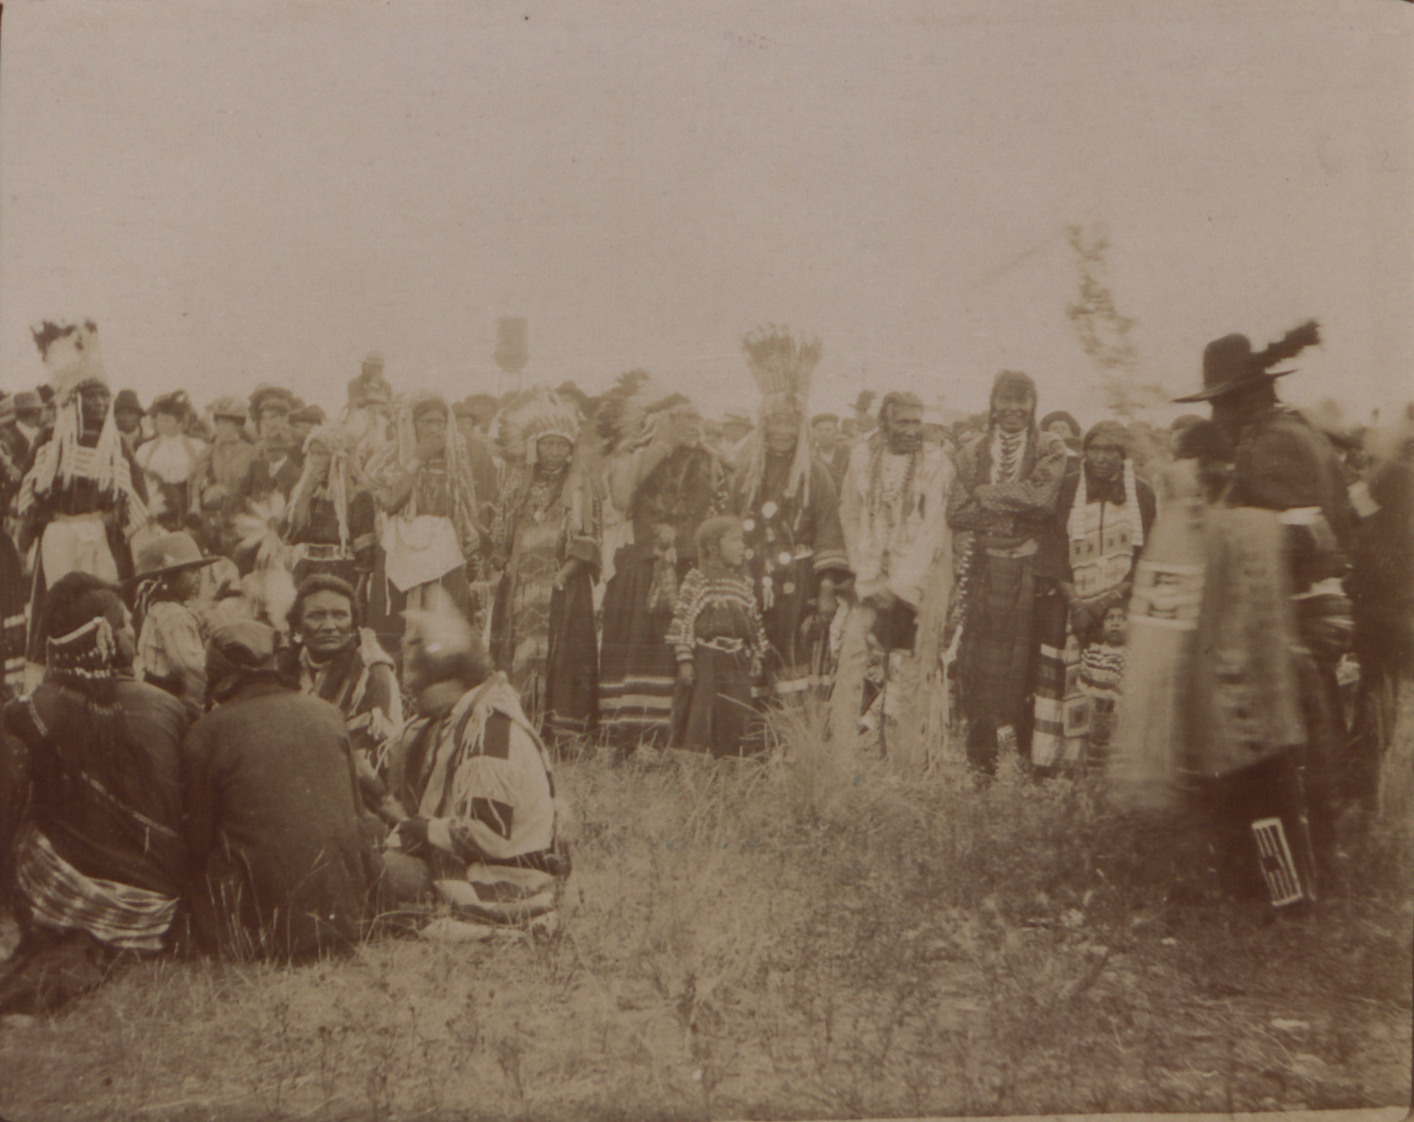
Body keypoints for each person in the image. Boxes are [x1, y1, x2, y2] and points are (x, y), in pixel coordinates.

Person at [1174, 321, 1354, 894]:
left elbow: (1303, 536)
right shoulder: (1291, 433)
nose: (1218, 418)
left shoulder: (1277, 442)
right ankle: (1302, 876)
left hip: (1290, 617)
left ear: (1248, 396)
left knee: (1276, 757)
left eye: (1222, 404)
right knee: (1298, 749)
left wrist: (1220, 529)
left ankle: (1284, 887)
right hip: (1298, 615)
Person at [0, 573, 190, 1014]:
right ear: (103, 636)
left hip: (60, 899)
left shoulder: (27, 712)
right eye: (124, 625)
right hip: (155, 913)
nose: (132, 634)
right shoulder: (164, 705)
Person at [182, 620, 376, 961]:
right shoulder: (329, 714)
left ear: (216, 668)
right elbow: (357, 818)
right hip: (346, 920)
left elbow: (197, 840)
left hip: (262, 932)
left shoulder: (207, 731)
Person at [379, 601, 568, 930]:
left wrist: (416, 827)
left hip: (503, 876)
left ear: (447, 678)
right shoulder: (452, 721)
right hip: (467, 862)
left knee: (369, 869)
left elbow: (487, 836)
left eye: (413, 645)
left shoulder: (489, 729)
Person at [947, 371, 1068, 773]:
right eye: (1006, 399)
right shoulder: (972, 451)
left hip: (1033, 566)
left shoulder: (1050, 446)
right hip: (986, 566)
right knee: (982, 661)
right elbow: (957, 512)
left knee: (1030, 659)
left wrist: (987, 493)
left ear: (1034, 404)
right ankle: (980, 760)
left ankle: (1027, 760)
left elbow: (1042, 500)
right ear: (992, 403)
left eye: (1023, 400)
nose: (1014, 408)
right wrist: (1013, 506)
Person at [597, 384, 730, 751]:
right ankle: (633, 736)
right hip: (642, 566)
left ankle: (676, 737)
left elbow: (714, 507)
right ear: (659, 421)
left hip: (688, 565)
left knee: (679, 649)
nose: (693, 424)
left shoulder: (708, 458)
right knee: (641, 645)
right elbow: (623, 499)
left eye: (695, 417)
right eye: (682, 417)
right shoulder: (636, 454)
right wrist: (658, 448)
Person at [16, 321, 149, 682]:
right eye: (91, 396)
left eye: (104, 396)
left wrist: (109, 522)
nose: (100, 403)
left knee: (107, 604)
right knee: (55, 605)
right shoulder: (50, 441)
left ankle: (112, 668)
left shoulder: (117, 445)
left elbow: (136, 497)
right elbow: (29, 495)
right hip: (59, 539)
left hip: (105, 543)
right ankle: (53, 675)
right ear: (74, 400)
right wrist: (36, 533)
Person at [1031, 419, 1156, 771]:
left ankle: (1110, 766)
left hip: (1120, 605)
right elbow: (1054, 547)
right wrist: (1077, 603)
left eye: (1110, 451)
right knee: (1068, 677)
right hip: (1069, 602)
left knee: (1114, 678)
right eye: (1094, 449)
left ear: (1123, 455)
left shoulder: (1142, 492)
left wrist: (1107, 602)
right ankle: (1062, 761)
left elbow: (1145, 553)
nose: (1101, 458)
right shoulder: (1068, 487)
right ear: (1084, 452)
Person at [733, 329, 849, 702]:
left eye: (790, 423)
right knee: (750, 649)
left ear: (800, 428)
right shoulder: (746, 471)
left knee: (795, 652)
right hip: (749, 576)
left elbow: (829, 532)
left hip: (798, 582)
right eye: (775, 423)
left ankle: (796, 738)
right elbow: (729, 525)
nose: (782, 431)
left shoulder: (815, 474)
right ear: (763, 426)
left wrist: (828, 591)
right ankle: (751, 738)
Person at [834, 391, 953, 750]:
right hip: (870, 581)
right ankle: (844, 752)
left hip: (917, 586)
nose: (911, 430)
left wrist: (900, 587)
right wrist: (866, 573)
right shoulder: (860, 458)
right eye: (903, 421)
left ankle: (908, 760)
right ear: (884, 423)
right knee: (853, 659)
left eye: (917, 422)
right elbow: (850, 515)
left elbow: (935, 530)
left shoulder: (938, 463)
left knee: (912, 670)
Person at [487, 391, 601, 742]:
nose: (554, 452)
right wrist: (499, 565)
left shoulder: (579, 485)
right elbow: (503, 530)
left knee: (562, 651)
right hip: (521, 581)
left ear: (570, 450)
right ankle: (516, 723)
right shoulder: (517, 482)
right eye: (548, 445)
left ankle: (559, 730)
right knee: (513, 646)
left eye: (561, 446)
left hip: (560, 583)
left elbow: (587, 539)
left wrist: (563, 575)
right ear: (535, 446)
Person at [366, 394, 484, 649]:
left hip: (443, 548)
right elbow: (390, 502)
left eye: (440, 422)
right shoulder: (390, 454)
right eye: (427, 421)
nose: (434, 429)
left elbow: (463, 509)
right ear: (412, 423)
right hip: (399, 544)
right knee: (394, 618)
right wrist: (418, 457)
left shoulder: (456, 459)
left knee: (444, 619)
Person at [283, 574, 403, 821]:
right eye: (316, 615)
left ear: (353, 623)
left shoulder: (371, 673)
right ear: (296, 625)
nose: (329, 625)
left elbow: (373, 760)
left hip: (355, 797)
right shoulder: (284, 666)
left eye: (340, 615)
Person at [667, 516, 768, 758]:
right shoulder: (699, 580)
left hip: (736, 662)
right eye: (733, 540)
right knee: (704, 714)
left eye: (742, 540)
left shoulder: (743, 584)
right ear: (713, 546)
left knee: (735, 712)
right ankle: (698, 766)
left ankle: (732, 763)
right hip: (707, 661)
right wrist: (685, 660)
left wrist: (756, 654)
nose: (742, 546)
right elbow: (683, 622)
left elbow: (753, 623)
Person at [129, 531, 220, 716]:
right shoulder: (173, 614)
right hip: (171, 700)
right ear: (170, 576)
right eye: (191, 571)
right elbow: (192, 670)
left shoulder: (159, 606)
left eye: (198, 570)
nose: (198, 577)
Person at [284, 417, 379, 589]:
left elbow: (365, 552)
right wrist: (306, 492)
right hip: (306, 570)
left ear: (337, 456)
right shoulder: (304, 490)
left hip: (341, 573)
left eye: (321, 453)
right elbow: (294, 534)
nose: (315, 459)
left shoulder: (358, 495)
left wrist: (359, 593)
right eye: (312, 453)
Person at [189, 395, 257, 555]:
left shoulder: (250, 451)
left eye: (226, 423)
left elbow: (255, 483)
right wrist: (195, 501)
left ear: (238, 426)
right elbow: (198, 476)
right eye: (218, 422)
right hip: (216, 512)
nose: (221, 427)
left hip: (243, 511)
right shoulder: (211, 449)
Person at [135, 391, 207, 533]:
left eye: (167, 419)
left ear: (180, 421)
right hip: (157, 506)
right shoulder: (146, 449)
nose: (161, 423)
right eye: (159, 419)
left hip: (186, 505)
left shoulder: (196, 446)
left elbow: (202, 477)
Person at [811, 414, 851, 493]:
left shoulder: (848, 453)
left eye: (828, 430)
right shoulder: (811, 456)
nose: (823, 434)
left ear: (836, 432)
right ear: (814, 433)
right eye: (819, 430)